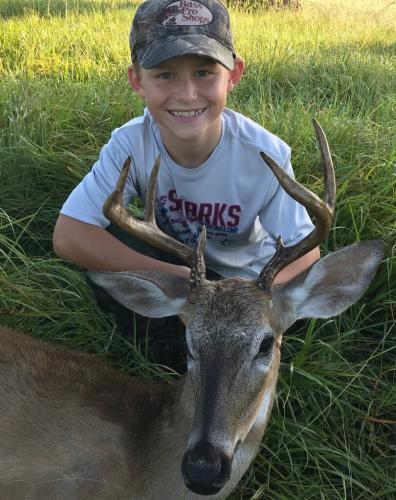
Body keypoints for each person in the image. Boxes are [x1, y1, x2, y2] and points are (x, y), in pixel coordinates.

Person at [53, 0, 319, 371]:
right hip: (179, 270)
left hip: (248, 283)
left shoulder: (263, 154)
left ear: (233, 73)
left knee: (288, 319)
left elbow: (306, 252)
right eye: (165, 74)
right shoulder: (131, 144)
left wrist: (257, 299)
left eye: (204, 72)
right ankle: (173, 357)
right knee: (112, 243)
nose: (187, 94)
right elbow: (69, 234)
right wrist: (171, 277)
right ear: (137, 80)